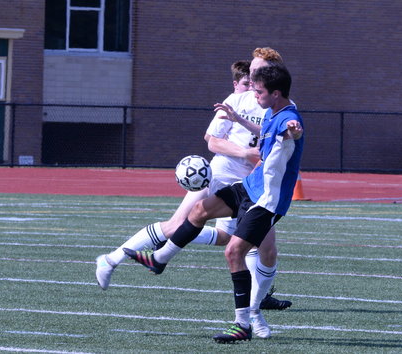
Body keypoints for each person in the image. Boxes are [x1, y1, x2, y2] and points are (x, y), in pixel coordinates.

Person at [96, 53, 292, 324]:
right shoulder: (237, 99)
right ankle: (111, 260)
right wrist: (245, 153)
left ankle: (256, 303)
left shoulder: (277, 105)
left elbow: (282, 139)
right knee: (180, 224)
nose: (254, 73)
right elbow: (212, 141)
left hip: (252, 185)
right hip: (222, 174)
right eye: (253, 68)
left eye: (260, 69)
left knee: (246, 243)